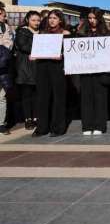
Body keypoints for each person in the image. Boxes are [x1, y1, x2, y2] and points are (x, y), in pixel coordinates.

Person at [33, 9, 70, 137]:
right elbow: (38, 50)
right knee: (42, 98)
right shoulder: (42, 33)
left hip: (57, 68)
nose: (52, 20)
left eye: (55, 18)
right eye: (50, 18)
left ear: (60, 19)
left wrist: (62, 55)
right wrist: (34, 55)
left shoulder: (65, 33)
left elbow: (70, 53)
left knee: (58, 98)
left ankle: (57, 128)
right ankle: (42, 128)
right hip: (42, 68)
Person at [77, 7, 110, 135]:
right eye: (90, 18)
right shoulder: (81, 32)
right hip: (85, 70)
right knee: (86, 98)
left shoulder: (106, 32)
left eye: (94, 18)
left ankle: (99, 125)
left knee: (100, 98)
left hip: (101, 70)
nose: (92, 20)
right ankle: (87, 126)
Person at [12, 11, 41, 132]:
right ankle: (28, 119)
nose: (36, 22)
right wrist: (39, 50)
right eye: (34, 20)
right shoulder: (22, 31)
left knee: (37, 95)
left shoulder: (42, 32)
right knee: (27, 95)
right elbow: (23, 46)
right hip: (26, 67)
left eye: (38, 20)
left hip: (39, 67)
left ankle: (36, 117)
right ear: (28, 20)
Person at [0, 8, 14, 134]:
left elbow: (8, 44)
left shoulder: (6, 28)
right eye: (2, 15)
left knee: (2, 96)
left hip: (2, 67)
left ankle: (1, 124)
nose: (3, 18)